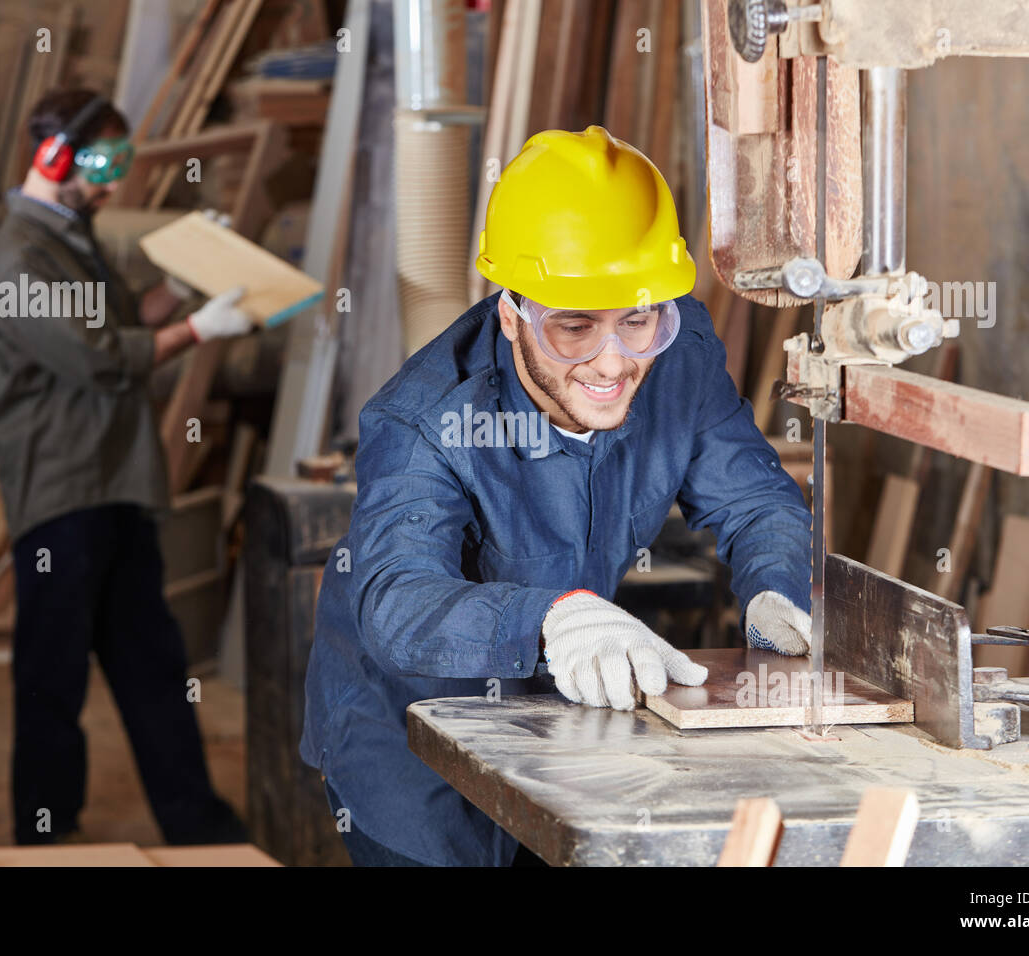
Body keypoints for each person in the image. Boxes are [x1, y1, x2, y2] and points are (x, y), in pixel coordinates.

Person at [301, 125, 813, 866]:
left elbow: (755, 502)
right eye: (575, 327)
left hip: (554, 715)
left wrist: (776, 587)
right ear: (512, 315)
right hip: (405, 732)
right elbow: (395, 600)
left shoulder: (679, 355)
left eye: (639, 319)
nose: (615, 361)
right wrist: (548, 618)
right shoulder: (426, 421)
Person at [0, 89, 252, 845]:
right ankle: (45, 833)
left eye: (121, 164)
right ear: (55, 157)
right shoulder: (19, 259)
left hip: (117, 488)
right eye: (101, 163)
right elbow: (99, 359)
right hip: (63, 498)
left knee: (152, 669)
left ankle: (199, 828)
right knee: (51, 678)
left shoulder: (72, 236)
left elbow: (125, 321)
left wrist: (191, 281)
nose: (112, 181)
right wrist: (200, 329)